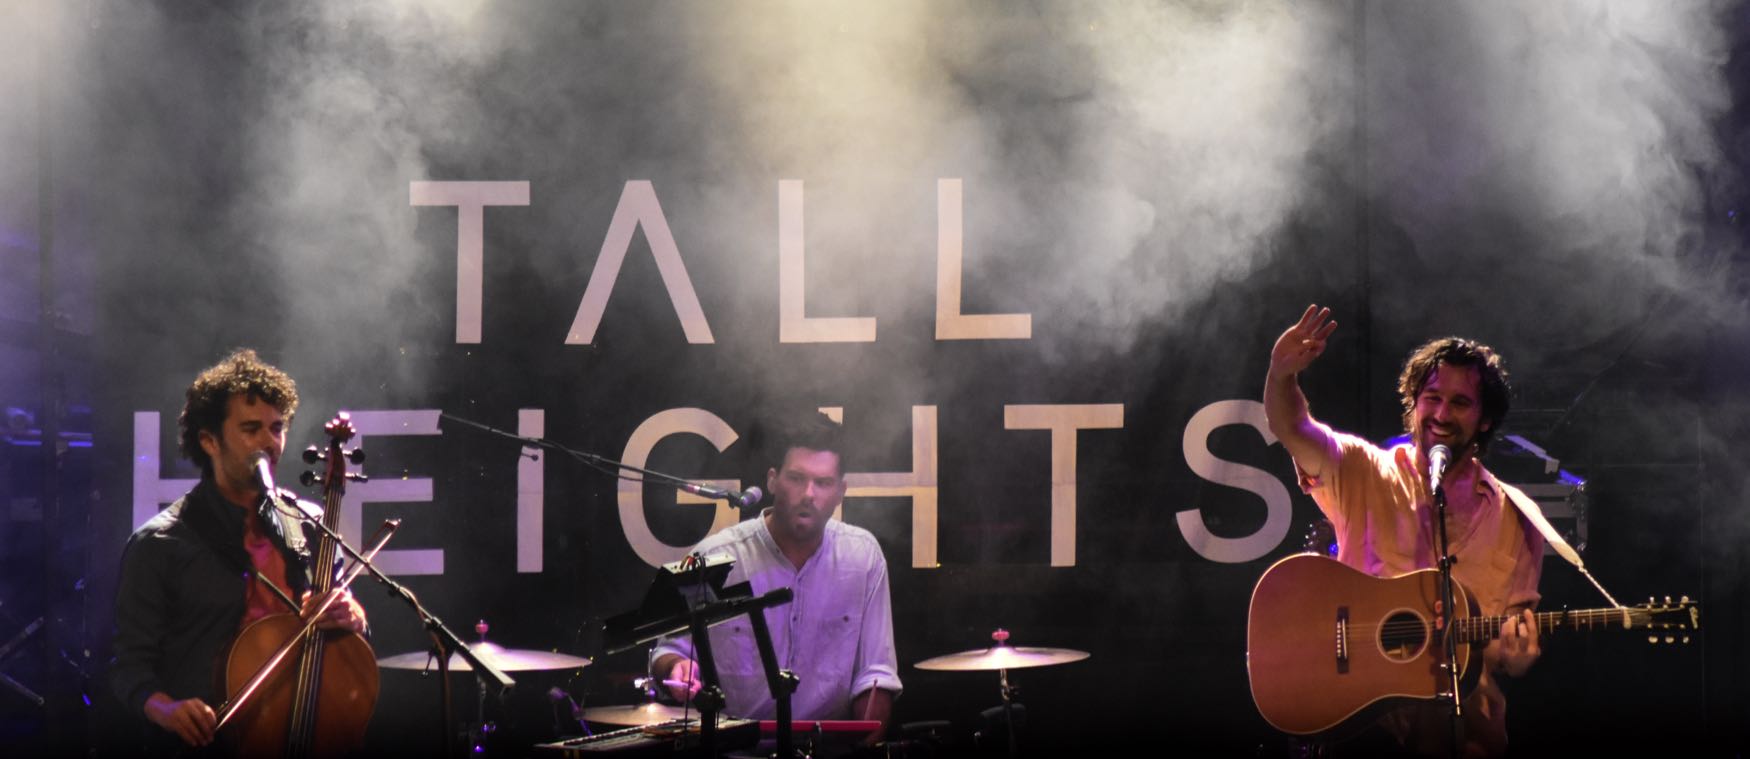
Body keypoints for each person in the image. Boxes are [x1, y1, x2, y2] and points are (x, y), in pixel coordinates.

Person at [1263, 305, 1544, 757]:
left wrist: (1518, 657)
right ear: (1414, 403)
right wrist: (1281, 376)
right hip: (1362, 729)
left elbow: (1510, 642)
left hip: (1467, 737)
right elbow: (1292, 427)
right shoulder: (1362, 470)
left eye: (1460, 403)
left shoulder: (1519, 516)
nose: (1441, 414)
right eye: (1432, 397)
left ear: (1485, 419)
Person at [109, 349, 368, 754]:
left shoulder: (309, 525)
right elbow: (128, 667)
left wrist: (352, 616)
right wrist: (167, 709)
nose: (269, 442)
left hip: (300, 728)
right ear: (209, 440)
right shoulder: (160, 544)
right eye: (251, 429)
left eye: (277, 428)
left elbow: (343, 631)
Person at [649, 413, 900, 743]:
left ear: (841, 492)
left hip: (824, 750)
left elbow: (875, 673)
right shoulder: (716, 556)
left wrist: (865, 746)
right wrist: (676, 668)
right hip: (733, 749)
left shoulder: (863, 557)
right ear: (772, 480)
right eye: (796, 478)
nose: (808, 494)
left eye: (823, 483)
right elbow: (667, 652)